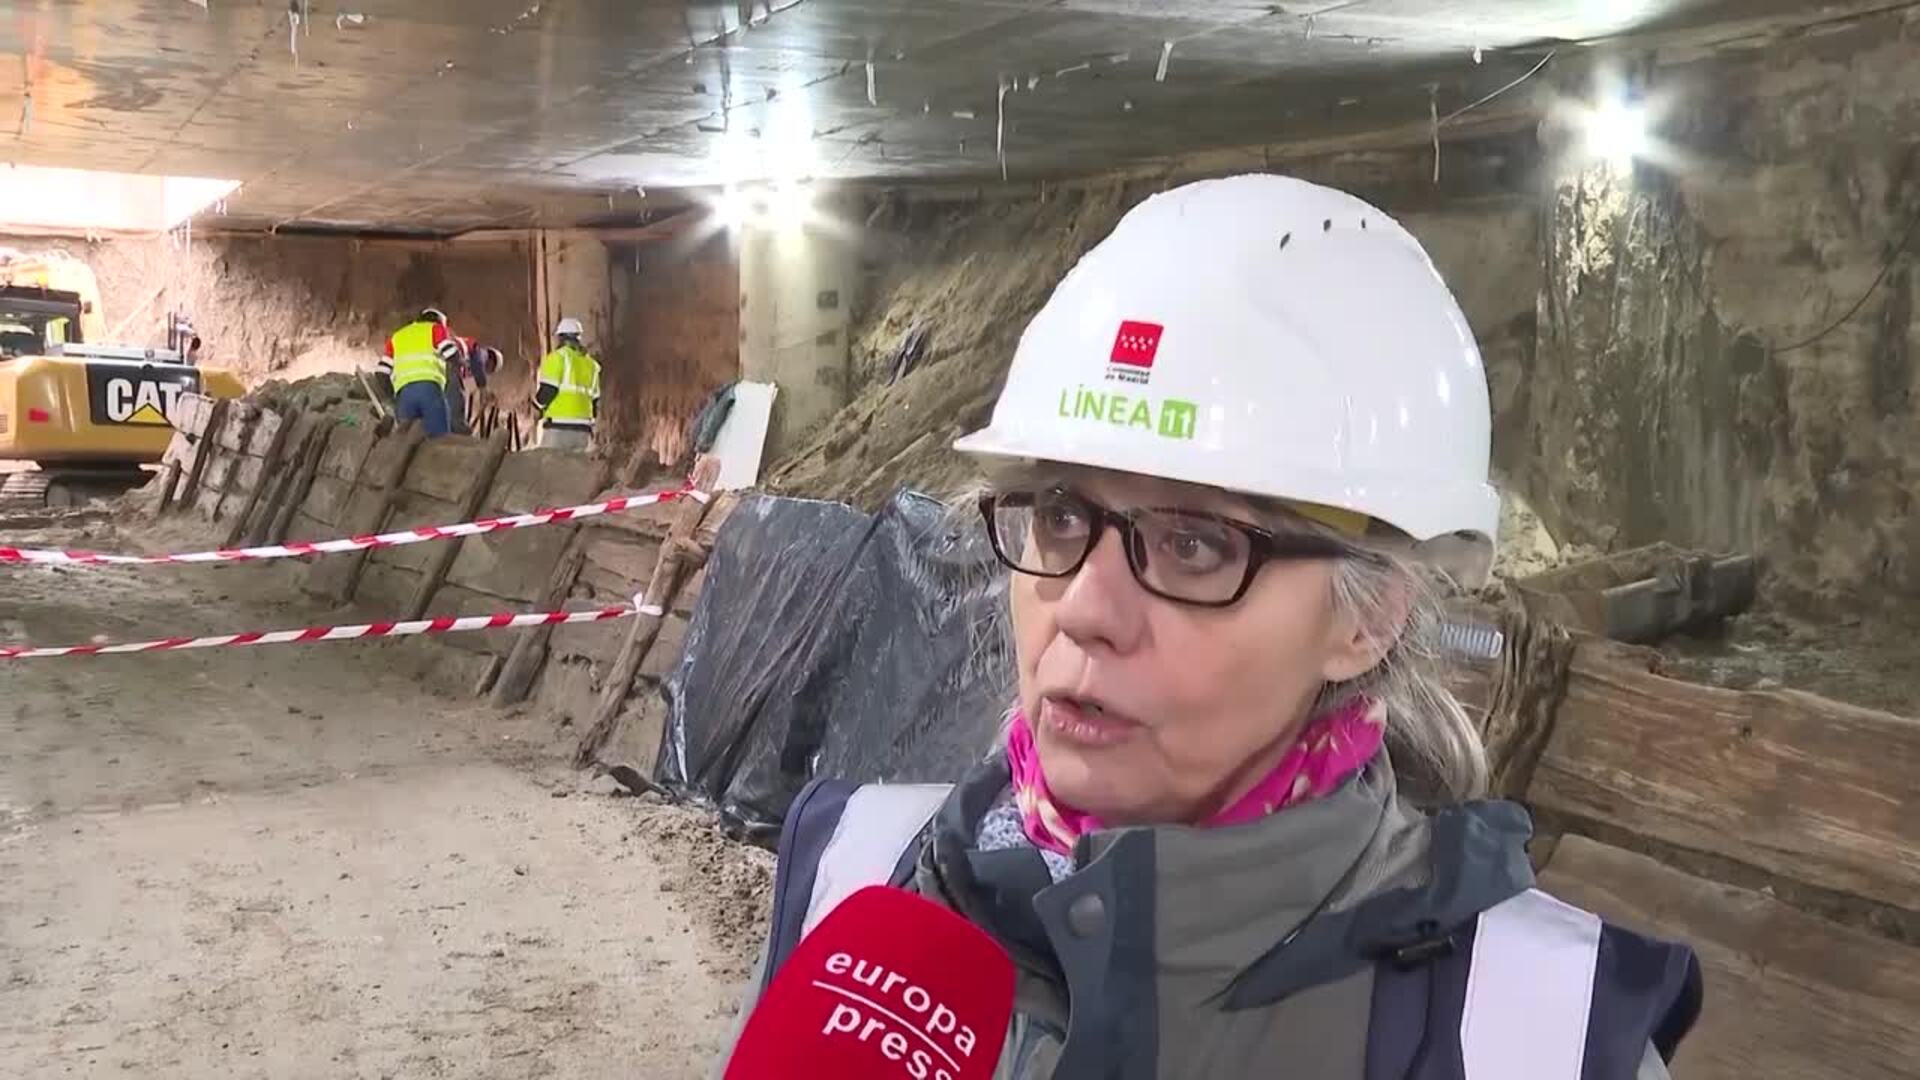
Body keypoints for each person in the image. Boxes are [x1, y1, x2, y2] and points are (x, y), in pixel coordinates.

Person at [723, 176, 1702, 1079]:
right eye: (1061, 517)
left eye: (1196, 545)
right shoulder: (858, 882)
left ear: (1369, 620)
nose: (1086, 610)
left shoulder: (1536, 1038)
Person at [375, 307, 463, 437]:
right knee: (438, 440)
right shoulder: (435, 328)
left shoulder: (397, 336)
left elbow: (381, 373)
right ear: (439, 322)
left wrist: (393, 397)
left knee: (404, 439)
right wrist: (458, 365)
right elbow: (450, 353)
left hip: (404, 395)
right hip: (430, 391)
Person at [534, 316, 601, 451]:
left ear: (560, 338)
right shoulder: (592, 365)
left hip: (558, 427)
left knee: (548, 469)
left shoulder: (557, 357)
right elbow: (594, 402)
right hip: (583, 431)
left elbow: (548, 391)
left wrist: (537, 406)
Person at [447, 335, 498, 436]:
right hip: (448, 360)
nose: (487, 371)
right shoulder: (481, 353)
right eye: (490, 368)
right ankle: (458, 432)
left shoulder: (466, 366)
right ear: (491, 360)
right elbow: (478, 362)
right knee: (456, 399)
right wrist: (483, 388)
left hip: (441, 363)